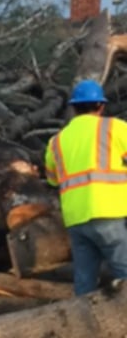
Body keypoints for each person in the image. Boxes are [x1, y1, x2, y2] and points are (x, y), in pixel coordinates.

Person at [45, 79, 127, 295]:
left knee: (84, 281)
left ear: (73, 108)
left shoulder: (56, 141)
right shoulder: (115, 128)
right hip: (109, 213)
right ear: (101, 105)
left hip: (76, 219)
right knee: (125, 274)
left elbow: (53, 179)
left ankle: (83, 324)